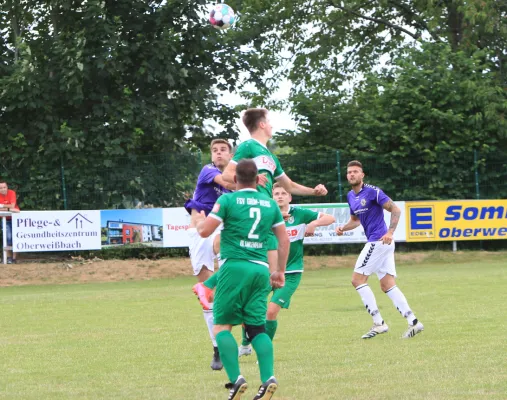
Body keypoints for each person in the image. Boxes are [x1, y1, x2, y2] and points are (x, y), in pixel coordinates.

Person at [195, 159, 289, 400]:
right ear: (258, 180)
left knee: (222, 327)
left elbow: (206, 231)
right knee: (257, 327)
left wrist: (198, 222)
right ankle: (268, 377)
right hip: (260, 270)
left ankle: (237, 380)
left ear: (234, 180)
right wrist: (279, 271)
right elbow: (283, 240)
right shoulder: (270, 203)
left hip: (233, 268)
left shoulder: (227, 199)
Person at [239, 182, 335, 355]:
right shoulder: (265, 215)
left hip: (291, 273)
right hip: (267, 271)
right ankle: (245, 345)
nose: (280, 196)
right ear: (272, 197)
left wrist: (314, 224)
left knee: (270, 312)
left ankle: (263, 351)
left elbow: (331, 218)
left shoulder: (299, 214)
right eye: (276, 193)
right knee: (248, 308)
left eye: (284, 193)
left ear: (290, 197)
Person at [335, 161, 424, 339]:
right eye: (349, 172)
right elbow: (355, 220)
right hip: (380, 243)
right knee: (387, 285)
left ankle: (379, 323)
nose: (352, 174)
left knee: (357, 280)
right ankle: (414, 322)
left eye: (355, 172)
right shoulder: (350, 196)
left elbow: (396, 210)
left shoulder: (373, 192)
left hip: (379, 241)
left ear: (362, 175)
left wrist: (390, 232)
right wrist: (343, 228)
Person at [185, 139, 236, 370]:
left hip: (220, 228)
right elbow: (229, 181)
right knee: (208, 294)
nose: (218, 153)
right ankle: (217, 346)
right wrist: (252, 179)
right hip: (200, 230)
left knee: (233, 276)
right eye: (214, 151)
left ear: (230, 154)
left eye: (223, 150)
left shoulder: (233, 183)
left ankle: (246, 335)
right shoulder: (209, 171)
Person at [0, 180, 20, 264]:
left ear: (7, 187)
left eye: (4, 187)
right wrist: (9, 208)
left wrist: (2, 206)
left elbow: (12, 205)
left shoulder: (12, 193)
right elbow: (11, 207)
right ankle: (8, 257)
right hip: (4, 219)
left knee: (16, 237)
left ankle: (14, 258)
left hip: (16, 218)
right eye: (0, 188)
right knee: (7, 237)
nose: (3, 189)